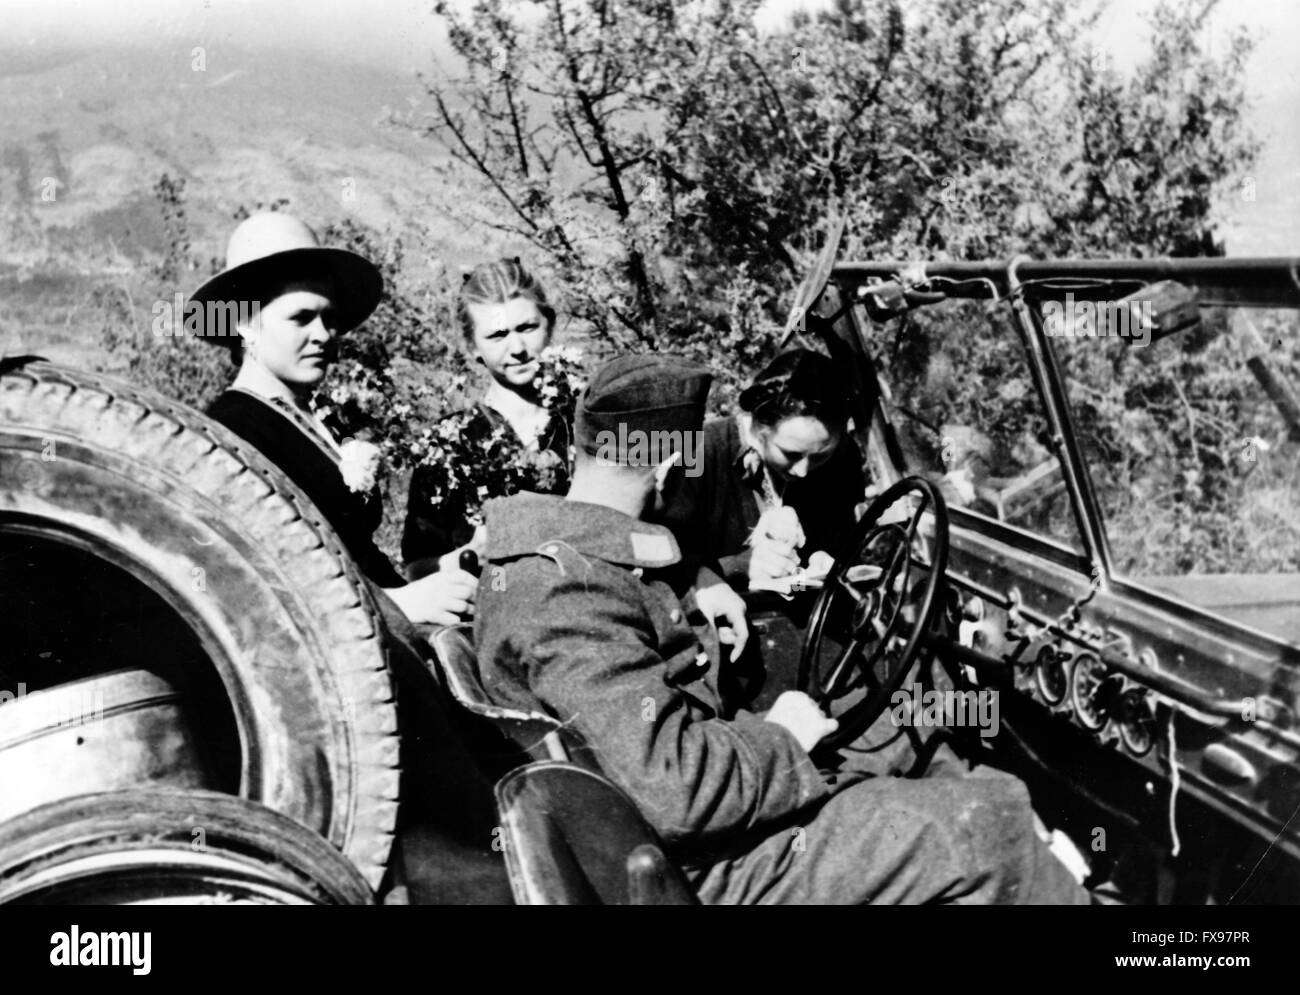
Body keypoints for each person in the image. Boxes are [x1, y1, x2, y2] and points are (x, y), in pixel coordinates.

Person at [474, 354, 1088, 904]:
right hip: (695, 872)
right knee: (990, 823)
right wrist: (783, 736)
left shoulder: (548, 564)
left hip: (679, 830)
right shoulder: (568, 593)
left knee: (904, 735)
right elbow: (673, 791)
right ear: (663, 465)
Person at [192, 211, 478, 627]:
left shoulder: (319, 418)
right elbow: (265, 581)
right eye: (302, 318)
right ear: (245, 325)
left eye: (330, 319)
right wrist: (400, 606)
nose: (324, 335)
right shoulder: (235, 431)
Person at [401, 257, 574, 580]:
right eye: (497, 336)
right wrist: (472, 555)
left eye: (527, 328)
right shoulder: (449, 442)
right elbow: (416, 568)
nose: (517, 348)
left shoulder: (588, 418)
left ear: (548, 325)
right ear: (472, 347)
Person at [659, 348, 865, 593]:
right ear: (759, 427)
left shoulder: (843, 459)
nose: (803, 472)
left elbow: (844, 538)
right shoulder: (699, 453)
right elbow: (665, 565)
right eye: (790, 454)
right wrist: (740, 566)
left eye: (821, 455)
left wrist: (827, 558)